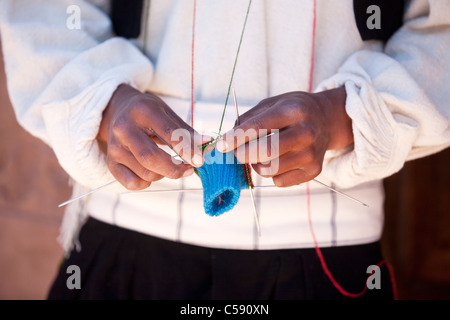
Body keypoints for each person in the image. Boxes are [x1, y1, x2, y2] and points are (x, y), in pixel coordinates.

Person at [0, 0, 449, 300]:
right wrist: (101, 107)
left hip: (326, 255)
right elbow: (47, 11)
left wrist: (341, 116)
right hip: (120, 242)